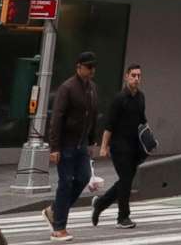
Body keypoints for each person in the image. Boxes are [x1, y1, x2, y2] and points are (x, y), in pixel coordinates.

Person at [49, 52, 104, 241]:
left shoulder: (92, 88)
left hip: (81, 144)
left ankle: (55, 210)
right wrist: (54, 147)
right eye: (88, 67)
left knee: (83, 178)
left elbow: (93, 115)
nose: (92, 70)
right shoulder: (67, 88)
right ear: (78, 67)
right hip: (65, 144)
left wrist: (91, 142)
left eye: (93, 67)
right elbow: (57, 117)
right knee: (65, 183)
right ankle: (59, 228)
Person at [96, 63, 151, 229]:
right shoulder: (119, 98)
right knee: (126, 180)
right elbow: (109, 125)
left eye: (139, 76)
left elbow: (143, 121)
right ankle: (123, 217)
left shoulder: (141, 97)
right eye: (133, 75)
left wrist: (150, 139)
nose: (136, 79)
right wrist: (104, 147)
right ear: (126, 77)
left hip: (135, 147)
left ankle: (100, 203)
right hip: (119, 146)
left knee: (125, 181)